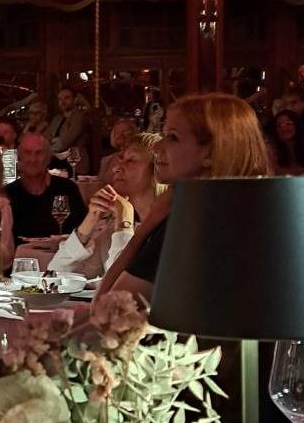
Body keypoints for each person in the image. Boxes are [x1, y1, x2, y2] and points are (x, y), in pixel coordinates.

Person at [99, 93, 270, 302]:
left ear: (210, 153)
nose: (156, 147)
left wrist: (147, 226)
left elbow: (106, 307)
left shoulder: (188, 223)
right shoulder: (245, 214)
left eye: (173, 137)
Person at [48, 133, 164, 279]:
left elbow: (121, 283)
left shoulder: (167, 230)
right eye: (120, 159)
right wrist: (89, 223)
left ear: (156, 172)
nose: (116, 168)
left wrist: (124, 223)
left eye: (131, 160)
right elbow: (55, 273)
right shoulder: (112, 225)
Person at [4, 132, 86, 244]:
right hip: (21, 254)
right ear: (19, 157)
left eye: (39, 153)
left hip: (62, 253)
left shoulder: (68, 189)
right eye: (27, 153)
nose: (33, 159)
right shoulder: (8, 194)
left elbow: (83, 232)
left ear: (48, 158)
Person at [48, 86, 90, 174]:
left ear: (75, 100)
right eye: (60, 99)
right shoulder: (56, 119)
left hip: (73, 163)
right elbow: (46, 138)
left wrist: (49, 148)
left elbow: (66, 140)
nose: (63, 102)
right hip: (54, 162)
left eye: (67, 98)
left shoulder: (80, 116)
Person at [265, 109, 304, 176]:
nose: (284, 128)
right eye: (279, 126)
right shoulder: (270, 150)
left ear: (297, 126)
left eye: (289, 124)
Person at [97, 118, 138, 184]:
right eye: (117, 132)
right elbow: (99, 183)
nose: (121, 135)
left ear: (134, 134)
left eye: (125, 131)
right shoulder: (106, 160)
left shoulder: (139, 159)